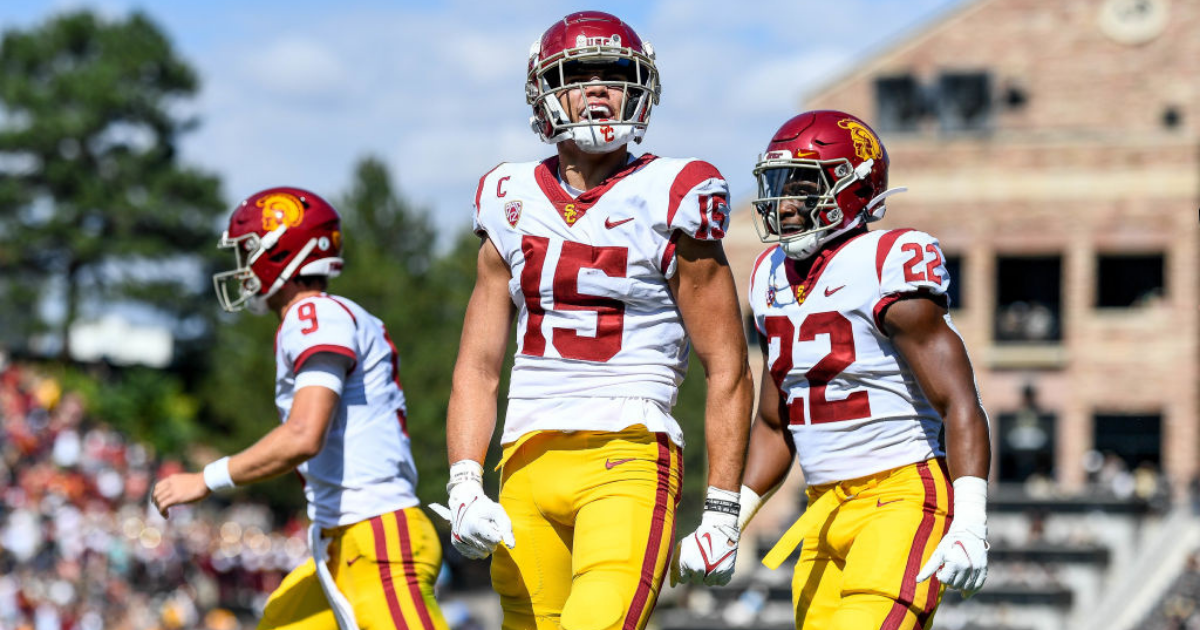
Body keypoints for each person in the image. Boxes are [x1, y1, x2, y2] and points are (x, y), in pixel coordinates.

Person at [429, 11, 754, 630]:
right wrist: (465, 483)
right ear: (546, 92)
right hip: (523, 460)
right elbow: (476, 366)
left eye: (616, 73)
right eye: (581, 73)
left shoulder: (673, 189)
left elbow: (728, 366)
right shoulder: (508, 195)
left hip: (629, 454)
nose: (601, 87)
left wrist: (720, 509)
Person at [737, 110, 992, 629]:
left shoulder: (887, 258)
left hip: (900, 497)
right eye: (779, 184)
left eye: (804, 185)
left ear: (855, 186)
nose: (785, 202)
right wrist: (730, 518)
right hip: (821, 507)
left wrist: (971, 521)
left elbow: (959, 401)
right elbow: (774, 420)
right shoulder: (768, 275)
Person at [153, 187, 448, 630]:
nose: (242, 265)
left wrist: (206, 479)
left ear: (283, 252)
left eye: (249, 250)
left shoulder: (313, 316)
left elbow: (303, 434)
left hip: (376, 535)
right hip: (341, 540)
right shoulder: (319, 318)